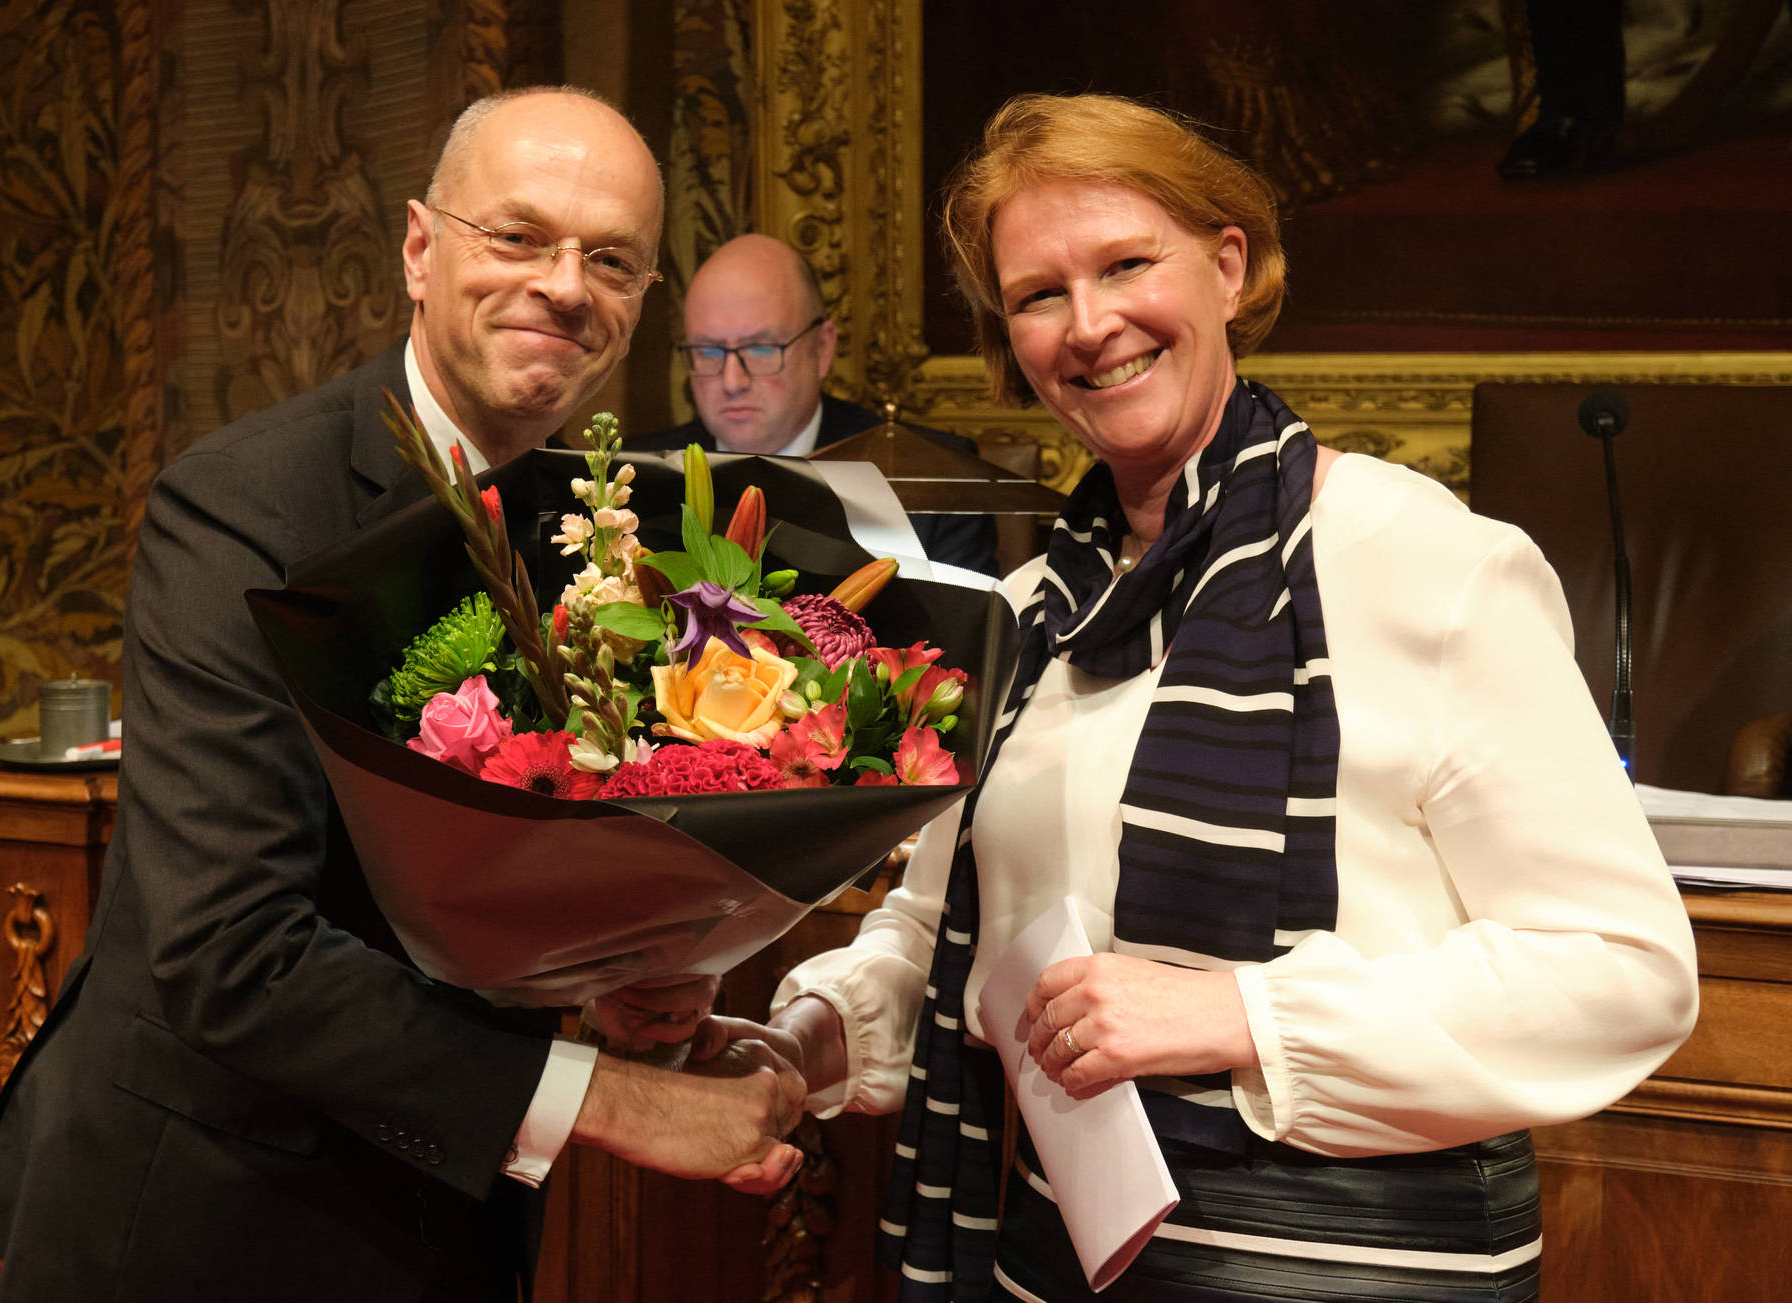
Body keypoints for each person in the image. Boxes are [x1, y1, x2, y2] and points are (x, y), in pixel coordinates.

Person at [723, 92, 1699, 1301]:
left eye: (1127, 263)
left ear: (1228, 265)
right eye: (1036, 295)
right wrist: (810, 1034)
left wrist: (1239, 1014)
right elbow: (947, 928)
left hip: (1353, 1267)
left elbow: (1618, 969)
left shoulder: (1429, 564)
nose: (1089, 325)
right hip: (1055, 1259)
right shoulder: (1024, 612)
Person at [0, 87, 805, 1303]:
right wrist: (617, 1103)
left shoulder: (610, 530)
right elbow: (228, 949)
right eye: (517, 237)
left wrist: (618, 977)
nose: (566, 285)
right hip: (202, 1217)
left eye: (610, 258)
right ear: (419, 250)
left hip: (446, 1215)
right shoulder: (242, 506)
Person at [630, 233, 1001, 576]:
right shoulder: (632, 477)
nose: (732, 382)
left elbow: (968, 643)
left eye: (761, 349)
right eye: (708, 351)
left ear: (822, 349)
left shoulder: (933, 478)